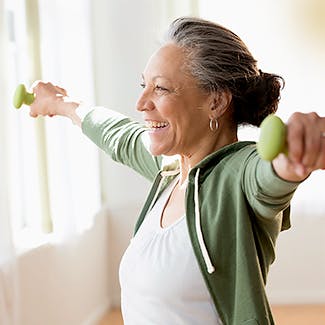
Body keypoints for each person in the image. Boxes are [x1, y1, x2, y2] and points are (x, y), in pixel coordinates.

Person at [28, 17, 325, 325]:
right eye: (144, 86)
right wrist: (62, 104)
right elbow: (119, 135)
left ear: (216, 101)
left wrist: (295, 154)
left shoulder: (238, 175)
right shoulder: (172, 171)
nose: (141, 103)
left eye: (162, 89)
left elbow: (269, 175)